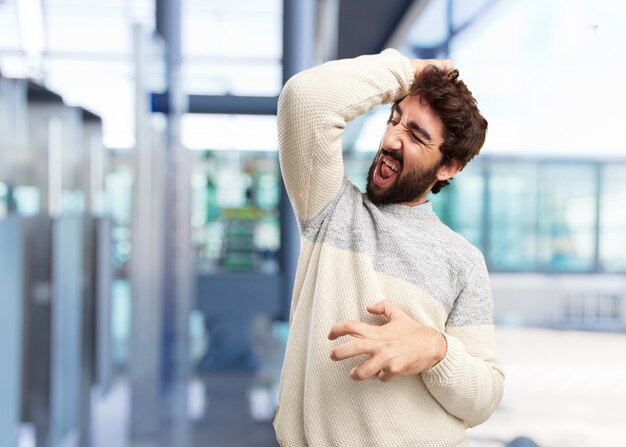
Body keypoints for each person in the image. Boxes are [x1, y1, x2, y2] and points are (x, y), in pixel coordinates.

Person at [274, 49, 504, 446]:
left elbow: (482, 400)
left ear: (447, 167)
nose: (393, 139)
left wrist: (435, 348)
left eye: (416, 135)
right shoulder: (331, 210)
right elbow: (306, 99)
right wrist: (411, 72)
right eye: (394, 119)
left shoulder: (462, 261)